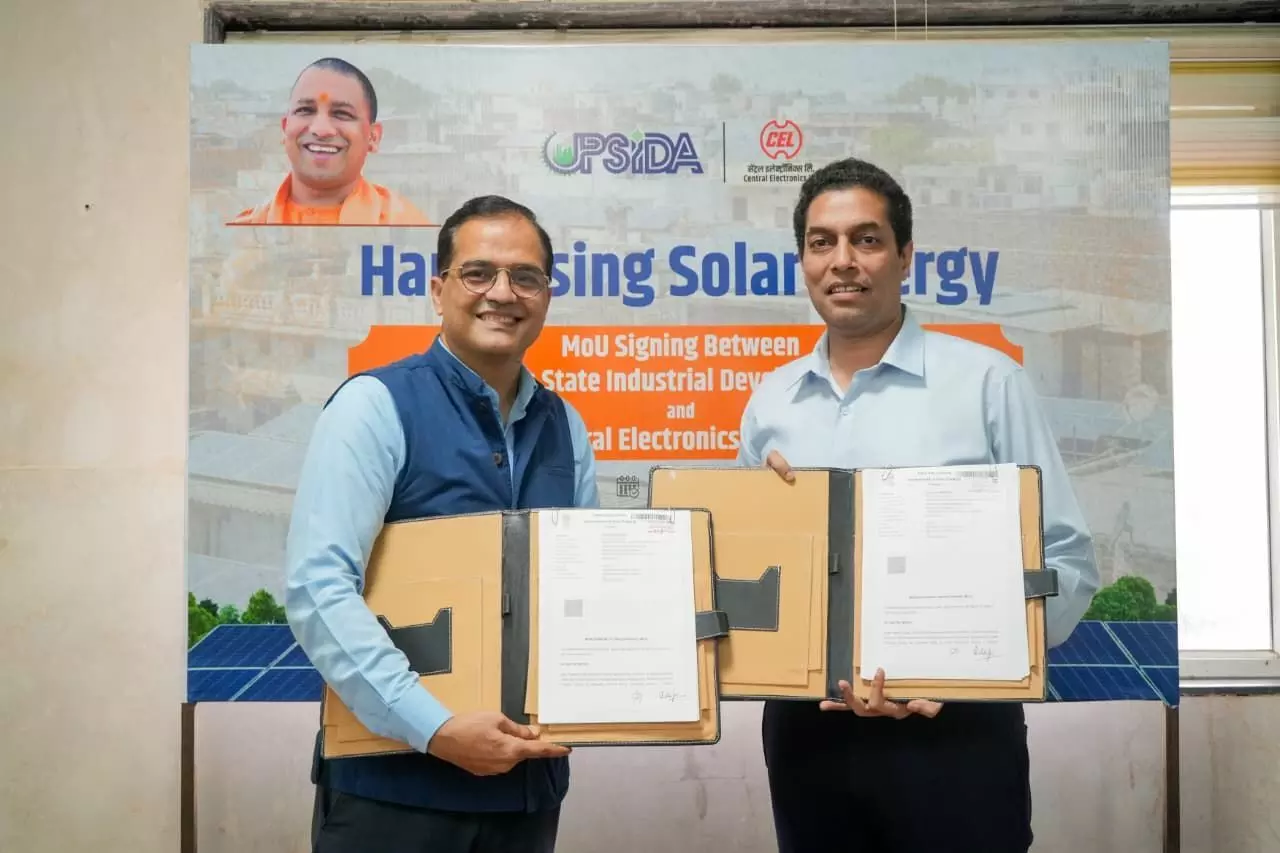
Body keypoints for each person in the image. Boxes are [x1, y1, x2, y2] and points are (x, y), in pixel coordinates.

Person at [735, 157, 1099, 853]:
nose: (843, 261)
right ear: (803, 260)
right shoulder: (771, 401)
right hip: (809, 736)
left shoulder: (988, 383)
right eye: (821, 242)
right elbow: (746, 577)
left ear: (905, 256)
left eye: (867, 239)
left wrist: (966, 668)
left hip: (955, 734)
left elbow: (1066, 561)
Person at [284, 195, 597, 852]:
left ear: (546, 296)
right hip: (392, 794)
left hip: (527, 793)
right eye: (478, 273)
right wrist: (434, 726)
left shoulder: (566, 427)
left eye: (526, 277)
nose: (502, 293)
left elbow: (585, 593)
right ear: (438, 290)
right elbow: (319, 589)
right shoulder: (374, 406)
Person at [228, 57, 431, 226]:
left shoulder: (409, 230)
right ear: (285, 128)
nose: (321, 130)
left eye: (341, 113)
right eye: (305, 110)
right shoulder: (245, 234)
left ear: (373, 137)